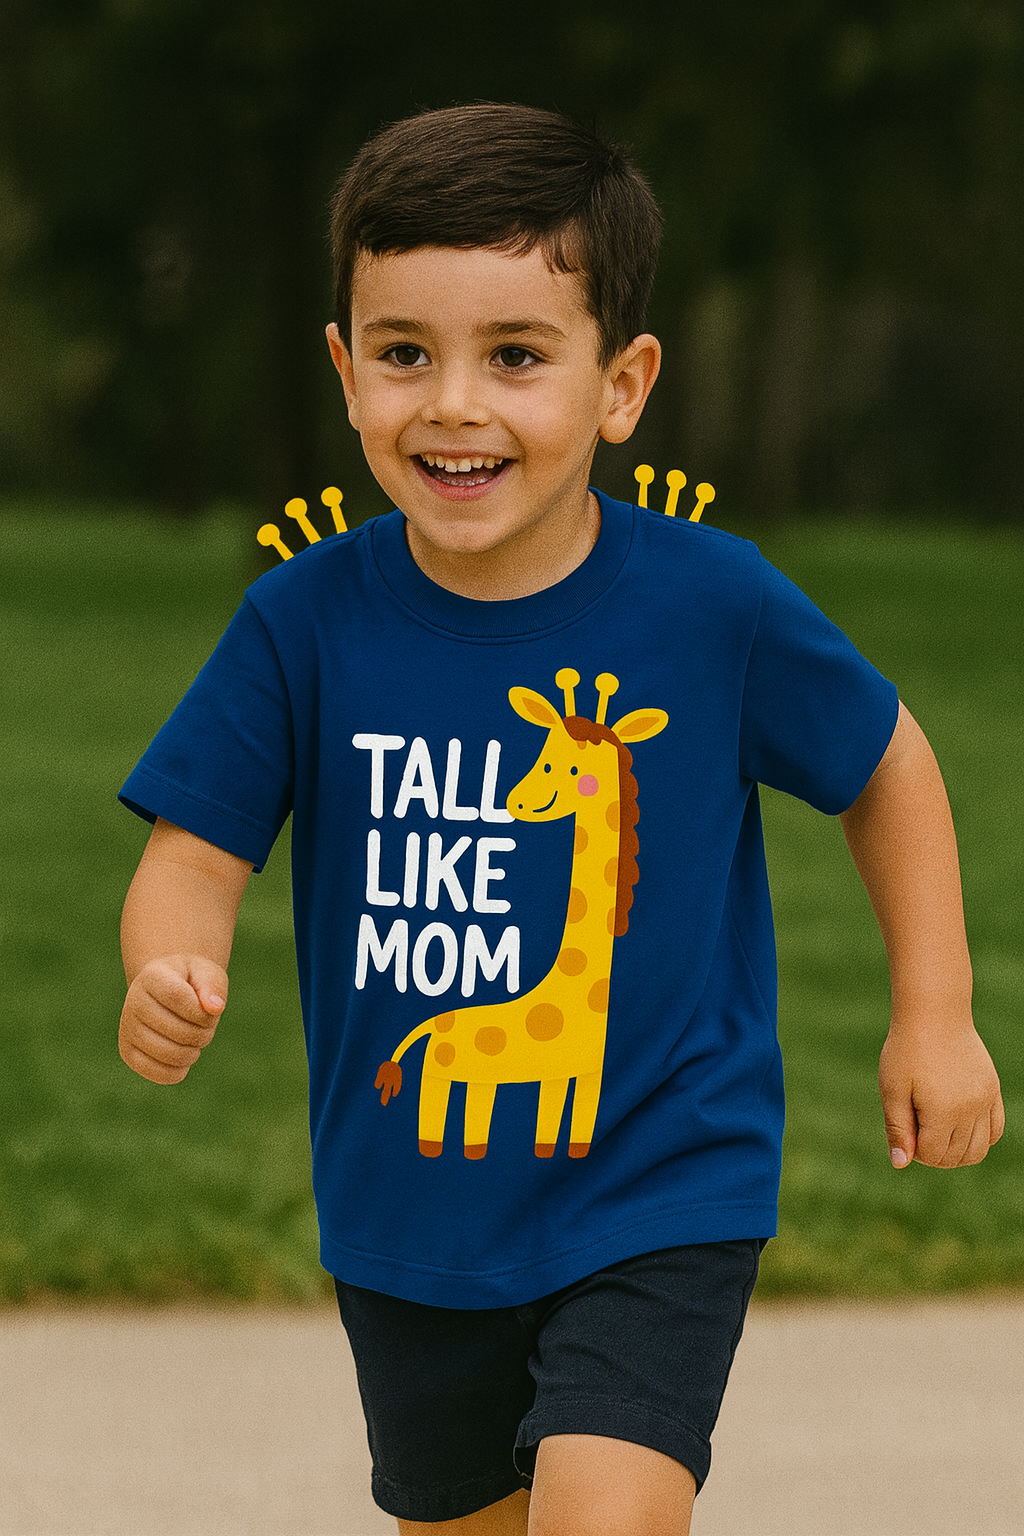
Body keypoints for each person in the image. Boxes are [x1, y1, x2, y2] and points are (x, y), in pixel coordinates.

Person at [116, 104, 1004, 1536]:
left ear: (622, 385)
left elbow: (886, 763)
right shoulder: (301, 622)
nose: (453, 405)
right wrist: (170, 960)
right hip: (410, 1212)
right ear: (345, 373)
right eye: (405, 354)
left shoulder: (713, 604)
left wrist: (937, 1013)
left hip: (662, 1174)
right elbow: (193, 849)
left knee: (603, 1515)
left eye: (517, 357)